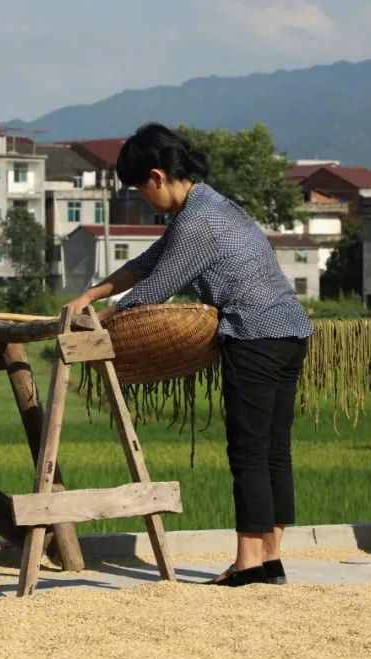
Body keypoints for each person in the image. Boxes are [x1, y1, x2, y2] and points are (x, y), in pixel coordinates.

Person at [64, 123, 314, 587]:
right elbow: (147, 262)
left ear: (157, 177)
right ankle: (271, 558)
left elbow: (157, 286)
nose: (143, 200)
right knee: (274, 449)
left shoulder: (198, 222)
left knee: (249, 452)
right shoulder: (212, 206)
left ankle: (248, 565)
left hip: (254, 334)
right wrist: (92, 294)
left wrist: (107, 321)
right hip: (290, 332)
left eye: (141, 191)